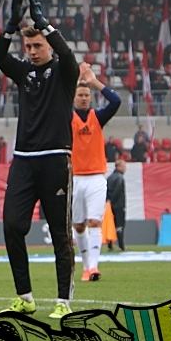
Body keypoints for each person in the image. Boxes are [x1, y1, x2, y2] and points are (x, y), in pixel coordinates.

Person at [0, 0, 78, 319]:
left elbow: (68, 56)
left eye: (37, 45)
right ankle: (25, 296)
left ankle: (63, 301)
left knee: (60, 232)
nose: (31, 51)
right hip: (24, 160)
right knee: (13, 225)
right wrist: (12, 25)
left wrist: (45, 24)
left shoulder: (63, 72)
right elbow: (0, 57)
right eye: (28, 47)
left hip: (56, 159)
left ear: (48, 46)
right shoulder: (25, 73)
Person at [71, 64, 121, 282]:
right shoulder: (67, 117)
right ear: (74, 97)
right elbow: (55, 102)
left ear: (91, 98)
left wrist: (95, 82)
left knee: (94, 222)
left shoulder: (97, 117)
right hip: (74, 177)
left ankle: (93, 267)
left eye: (86, 95)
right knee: (79, 225)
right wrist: (74, 81)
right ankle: (85, 265)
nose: (83, 98)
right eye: (80, 94)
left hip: (96, 178)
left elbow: (116, 101)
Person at [106, 159, 127, 252]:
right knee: (120, 226)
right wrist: (113, 200)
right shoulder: (120, 178)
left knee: (111, 225)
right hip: (119, 205)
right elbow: (118, 191)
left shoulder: (109, 177)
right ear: (118, 167)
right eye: (124, 166)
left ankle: (110, 245)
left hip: (110, 206)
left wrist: (109, 202)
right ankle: (121, 246)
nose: (125, 168)